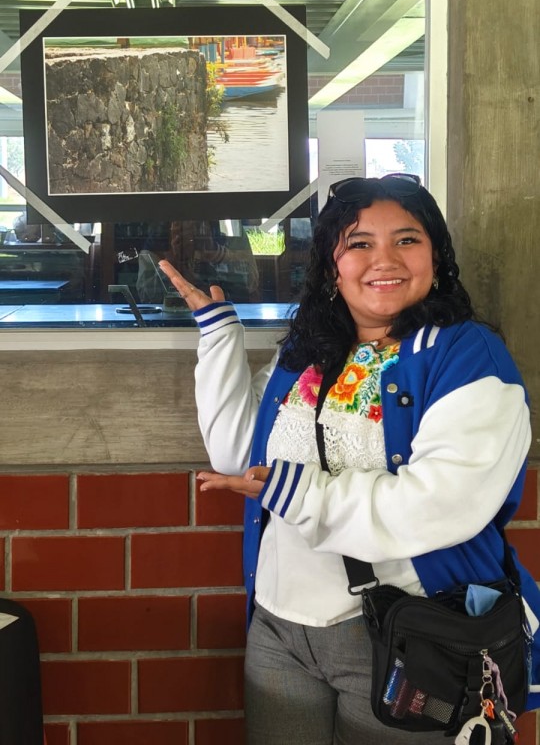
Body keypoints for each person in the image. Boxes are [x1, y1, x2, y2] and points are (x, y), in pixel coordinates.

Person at [159, 173, 540, 745]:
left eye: (407, 240)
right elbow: (242, 457)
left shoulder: (467, 358)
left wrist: (299, 494)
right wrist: (218, 337)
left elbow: (442, 504)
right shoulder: (310, 351)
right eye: (359, 243)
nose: (384, 259)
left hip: (407, 632)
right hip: (280, 627)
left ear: (436, 256)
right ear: (332, 266)